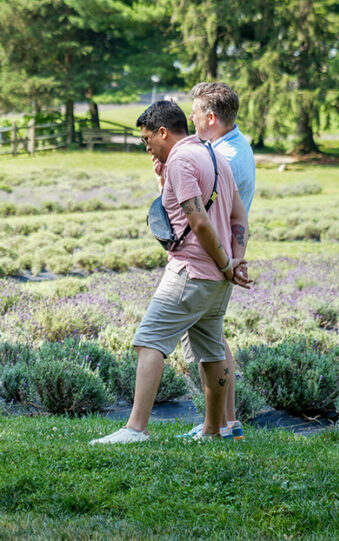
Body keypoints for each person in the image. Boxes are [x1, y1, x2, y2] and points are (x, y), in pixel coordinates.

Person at [91, 100, 251, 444]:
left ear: (163, 132)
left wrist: (225, 263)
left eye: (147, 138)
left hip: (191, 272)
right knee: (212, 352)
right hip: (217, 280)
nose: (146, 146)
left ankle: (136, 429)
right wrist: (235, 263)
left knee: (149, 341)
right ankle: (213, 430)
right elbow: (238, 217)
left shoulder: (180, 159)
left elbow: (198, 220)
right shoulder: (214, 156)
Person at [180, 81, 256, 440]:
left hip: (213, 259)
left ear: (210, 117)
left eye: (195, 112)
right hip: (222, 257)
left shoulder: (221, 158)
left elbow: (201, 211)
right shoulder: (234, 146)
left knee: (209, 340)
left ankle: (223, 423)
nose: (191, 118)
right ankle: (227, 423)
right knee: (213, 337)